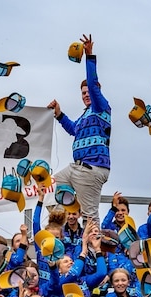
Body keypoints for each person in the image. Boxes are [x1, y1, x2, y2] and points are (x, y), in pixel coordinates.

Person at [48, 34, 111, 224]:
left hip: (91, 168)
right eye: (83, 93)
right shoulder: (86, 115)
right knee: (50, 187)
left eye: (88, 92)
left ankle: (94, 250)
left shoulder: (101, 107)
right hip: (76, 167)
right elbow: (73, 129)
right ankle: (69, 222)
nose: (86, 95)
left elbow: (92, 84)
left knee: (90, 217)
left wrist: (89, 56)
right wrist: (59, 114)